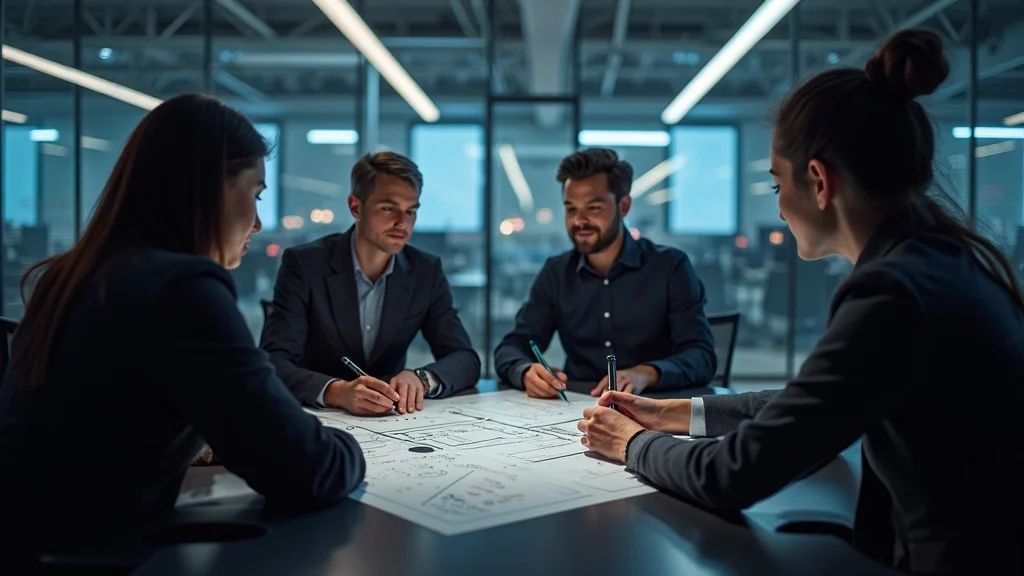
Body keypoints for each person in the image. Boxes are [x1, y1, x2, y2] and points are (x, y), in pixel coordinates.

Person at [577, 29, 1024, 575]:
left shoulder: (893, 293)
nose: (780, 209)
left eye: (775, 186)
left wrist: (633, 443)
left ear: (817, 182)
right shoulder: (939, 261)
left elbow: (732, 476)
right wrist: (671, 413)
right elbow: (811, 404)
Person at [0, 94, 366, 565]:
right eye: (254, 195)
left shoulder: (74, 275)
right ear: (208, 189)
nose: (256, 222)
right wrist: (349, 445)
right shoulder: (182, 288)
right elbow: (306, 469)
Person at [260, 152, 480, 416]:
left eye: (410, 211)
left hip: (391, 421)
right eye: (389, 208)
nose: (402, 222)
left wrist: (421, 378)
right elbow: (273, 362)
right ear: (356, 207)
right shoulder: (305, 264)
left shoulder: (425, 271)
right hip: (316, 418)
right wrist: (337, 391)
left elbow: (465, 359)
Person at [493, 148, 716, 398]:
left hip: (654, 407)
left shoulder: (670, 267)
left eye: (594, 208)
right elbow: (511, 348)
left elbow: (702, 357)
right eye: (571, 209)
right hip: (576, 410)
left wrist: (644, 374)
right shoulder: (556, 273)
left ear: (624, 206)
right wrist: (525, 371)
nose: (580, 220)